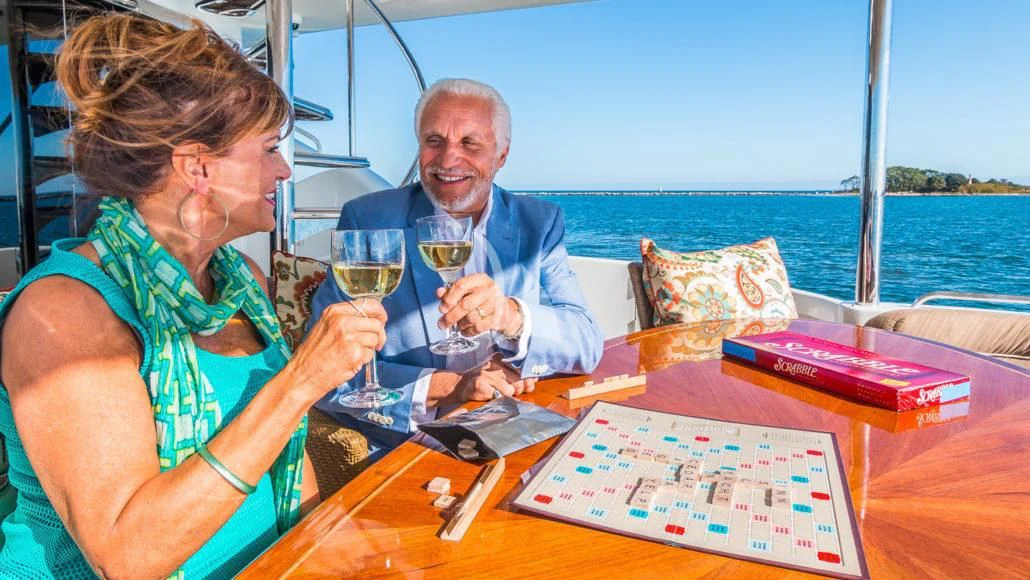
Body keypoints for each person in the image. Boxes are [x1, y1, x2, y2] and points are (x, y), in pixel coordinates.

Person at [0, 14, 387, 578]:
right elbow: (128, 556)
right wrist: (301, 380)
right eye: (269, 150)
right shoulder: (63, 312)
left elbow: (286, 452)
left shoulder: (240, 280)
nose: (283, 170)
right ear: (197, 167)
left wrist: (329, 545)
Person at [309, 78, 603, 458]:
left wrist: (511, 317)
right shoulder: (369, 218)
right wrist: (452, 386)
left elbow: (586, 341)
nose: (448, 160)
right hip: (411, 444)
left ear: (501, 155)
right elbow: (322, 368)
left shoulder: (539, 222)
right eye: (434, 141)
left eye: (470, 143)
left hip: (517, 430)